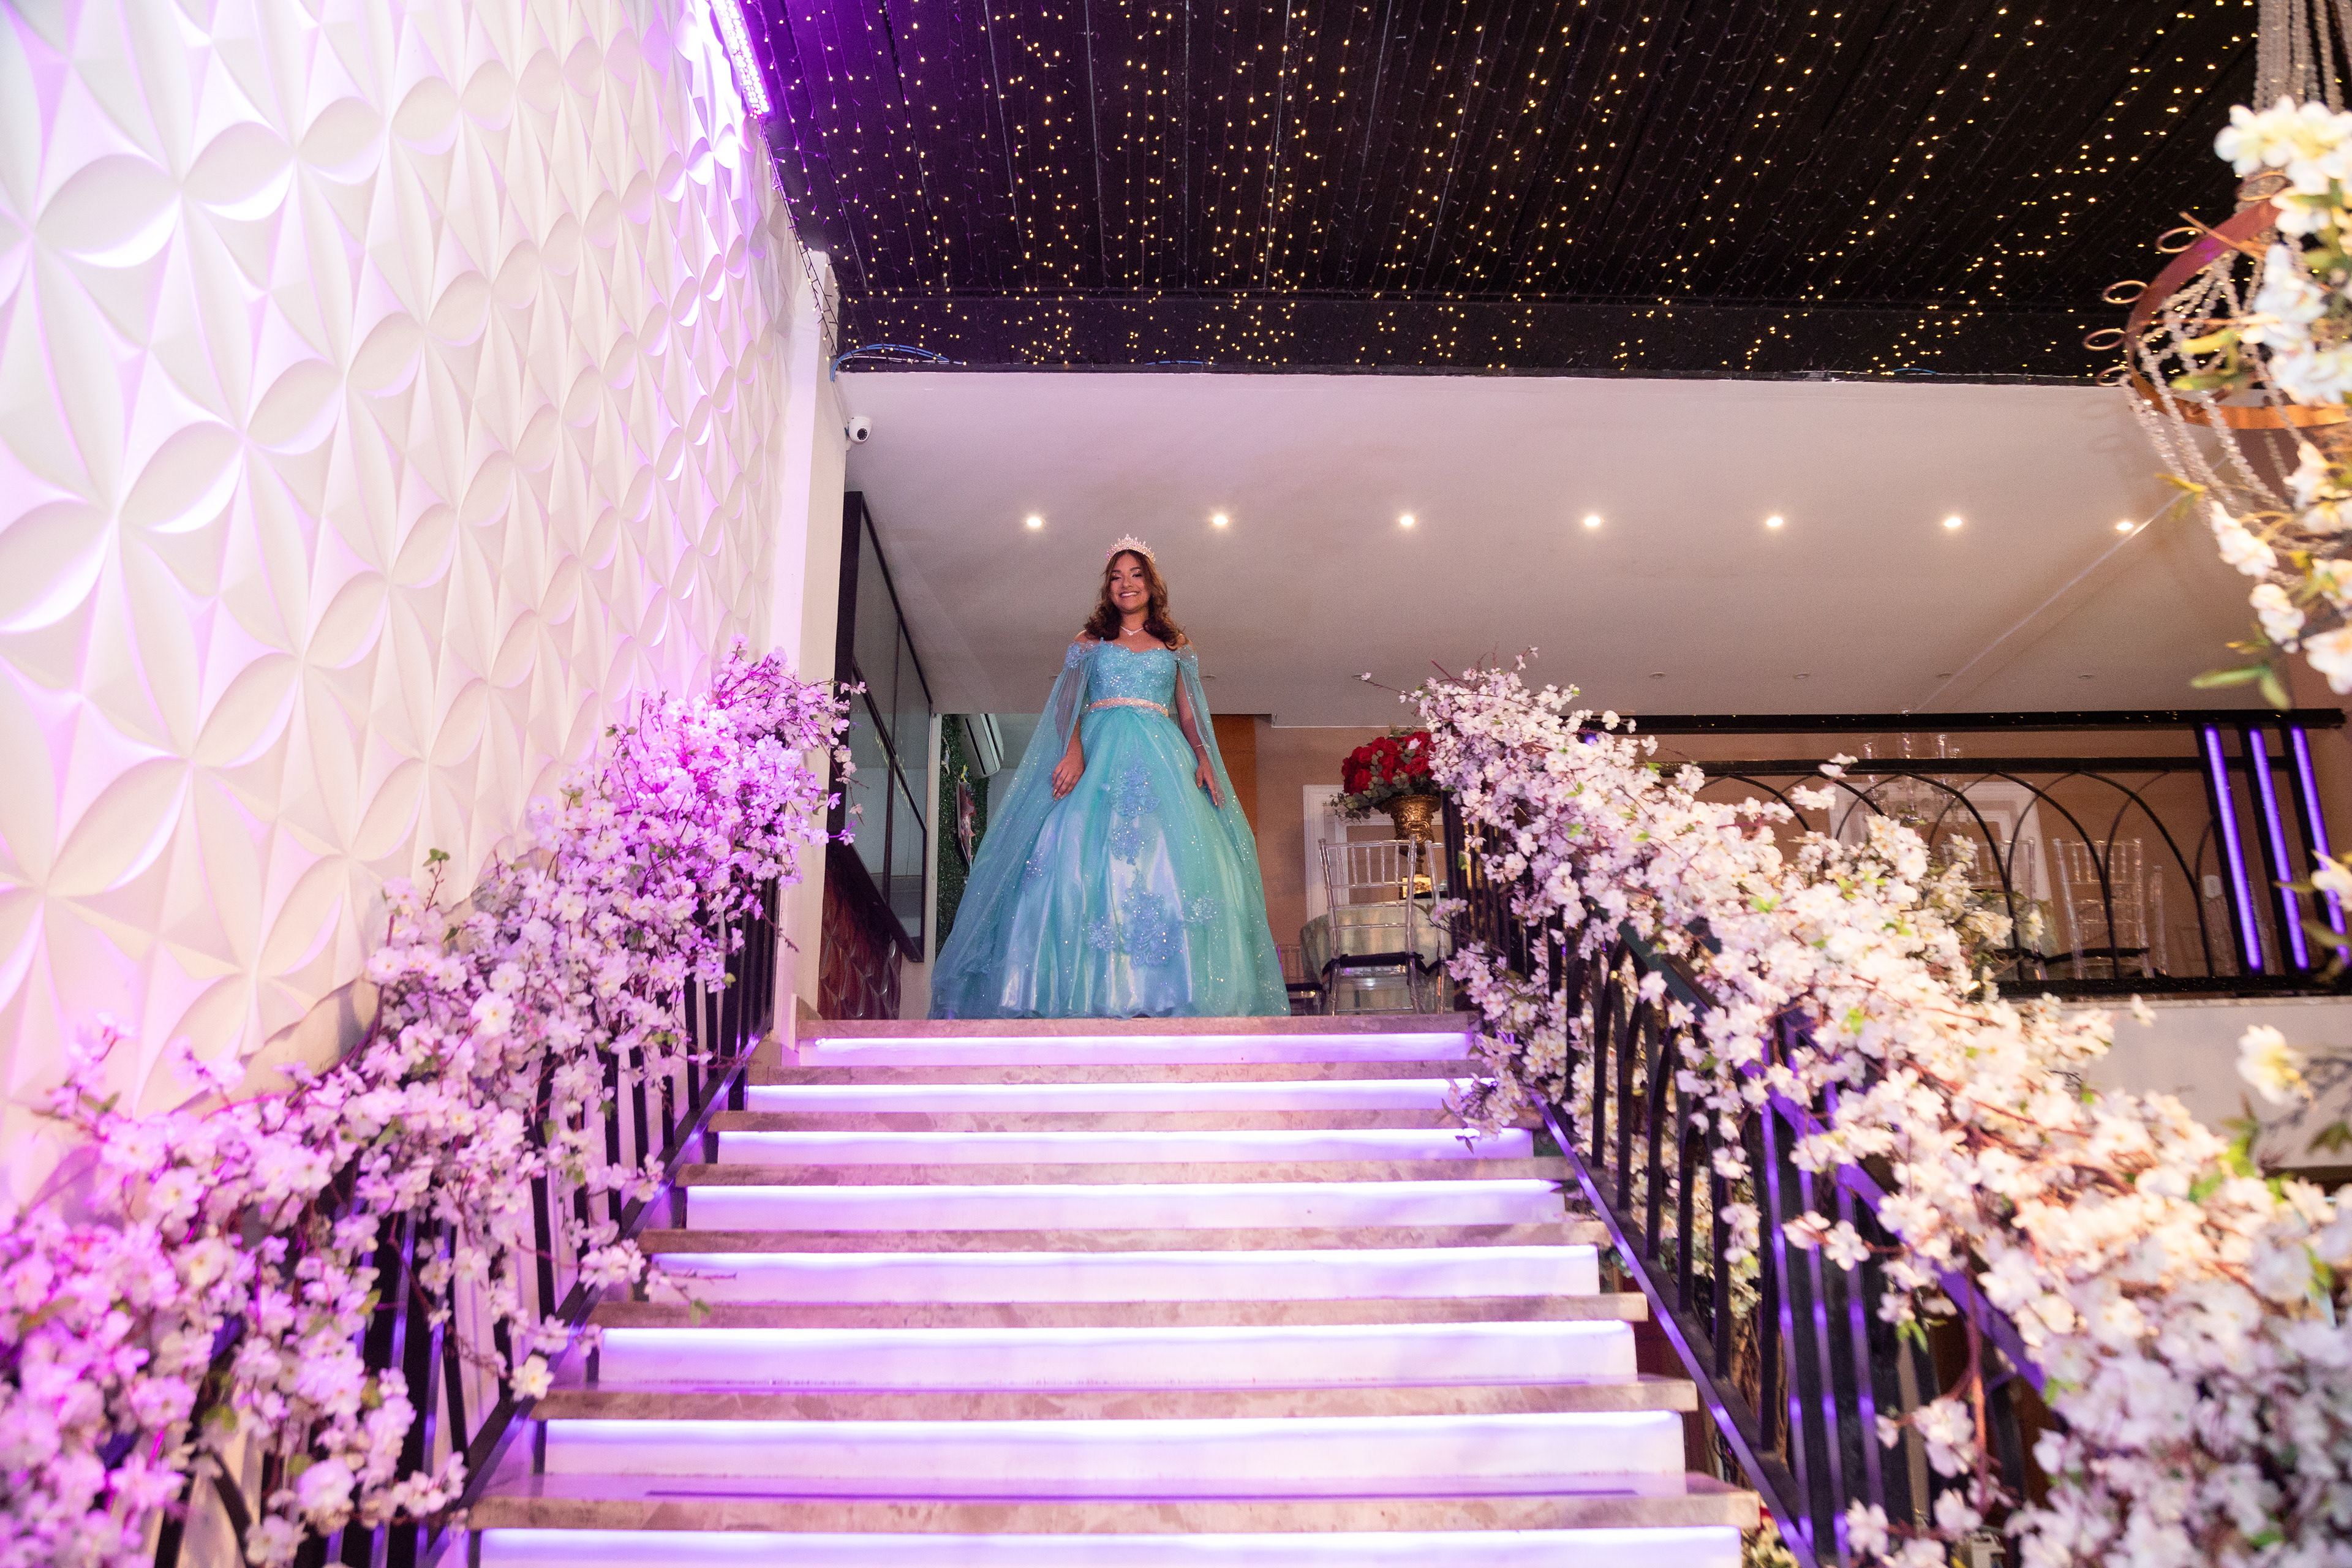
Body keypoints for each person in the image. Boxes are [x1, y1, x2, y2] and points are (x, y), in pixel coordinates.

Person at [930, 537, 1288, 1019]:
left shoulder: (1176, 646)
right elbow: (1067, 703)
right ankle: (1078, 990)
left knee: (1175, 858)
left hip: (1163, 753)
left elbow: (1189, 713)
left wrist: (1204, 756)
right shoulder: (1088, 642)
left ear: (1151, 584)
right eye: (1117, 576)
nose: (1126, 583)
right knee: (1073, 850)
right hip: (1099, 747)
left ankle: (1169, 991)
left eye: (1136, 574)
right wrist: (1073, 750)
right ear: (1108, 587)